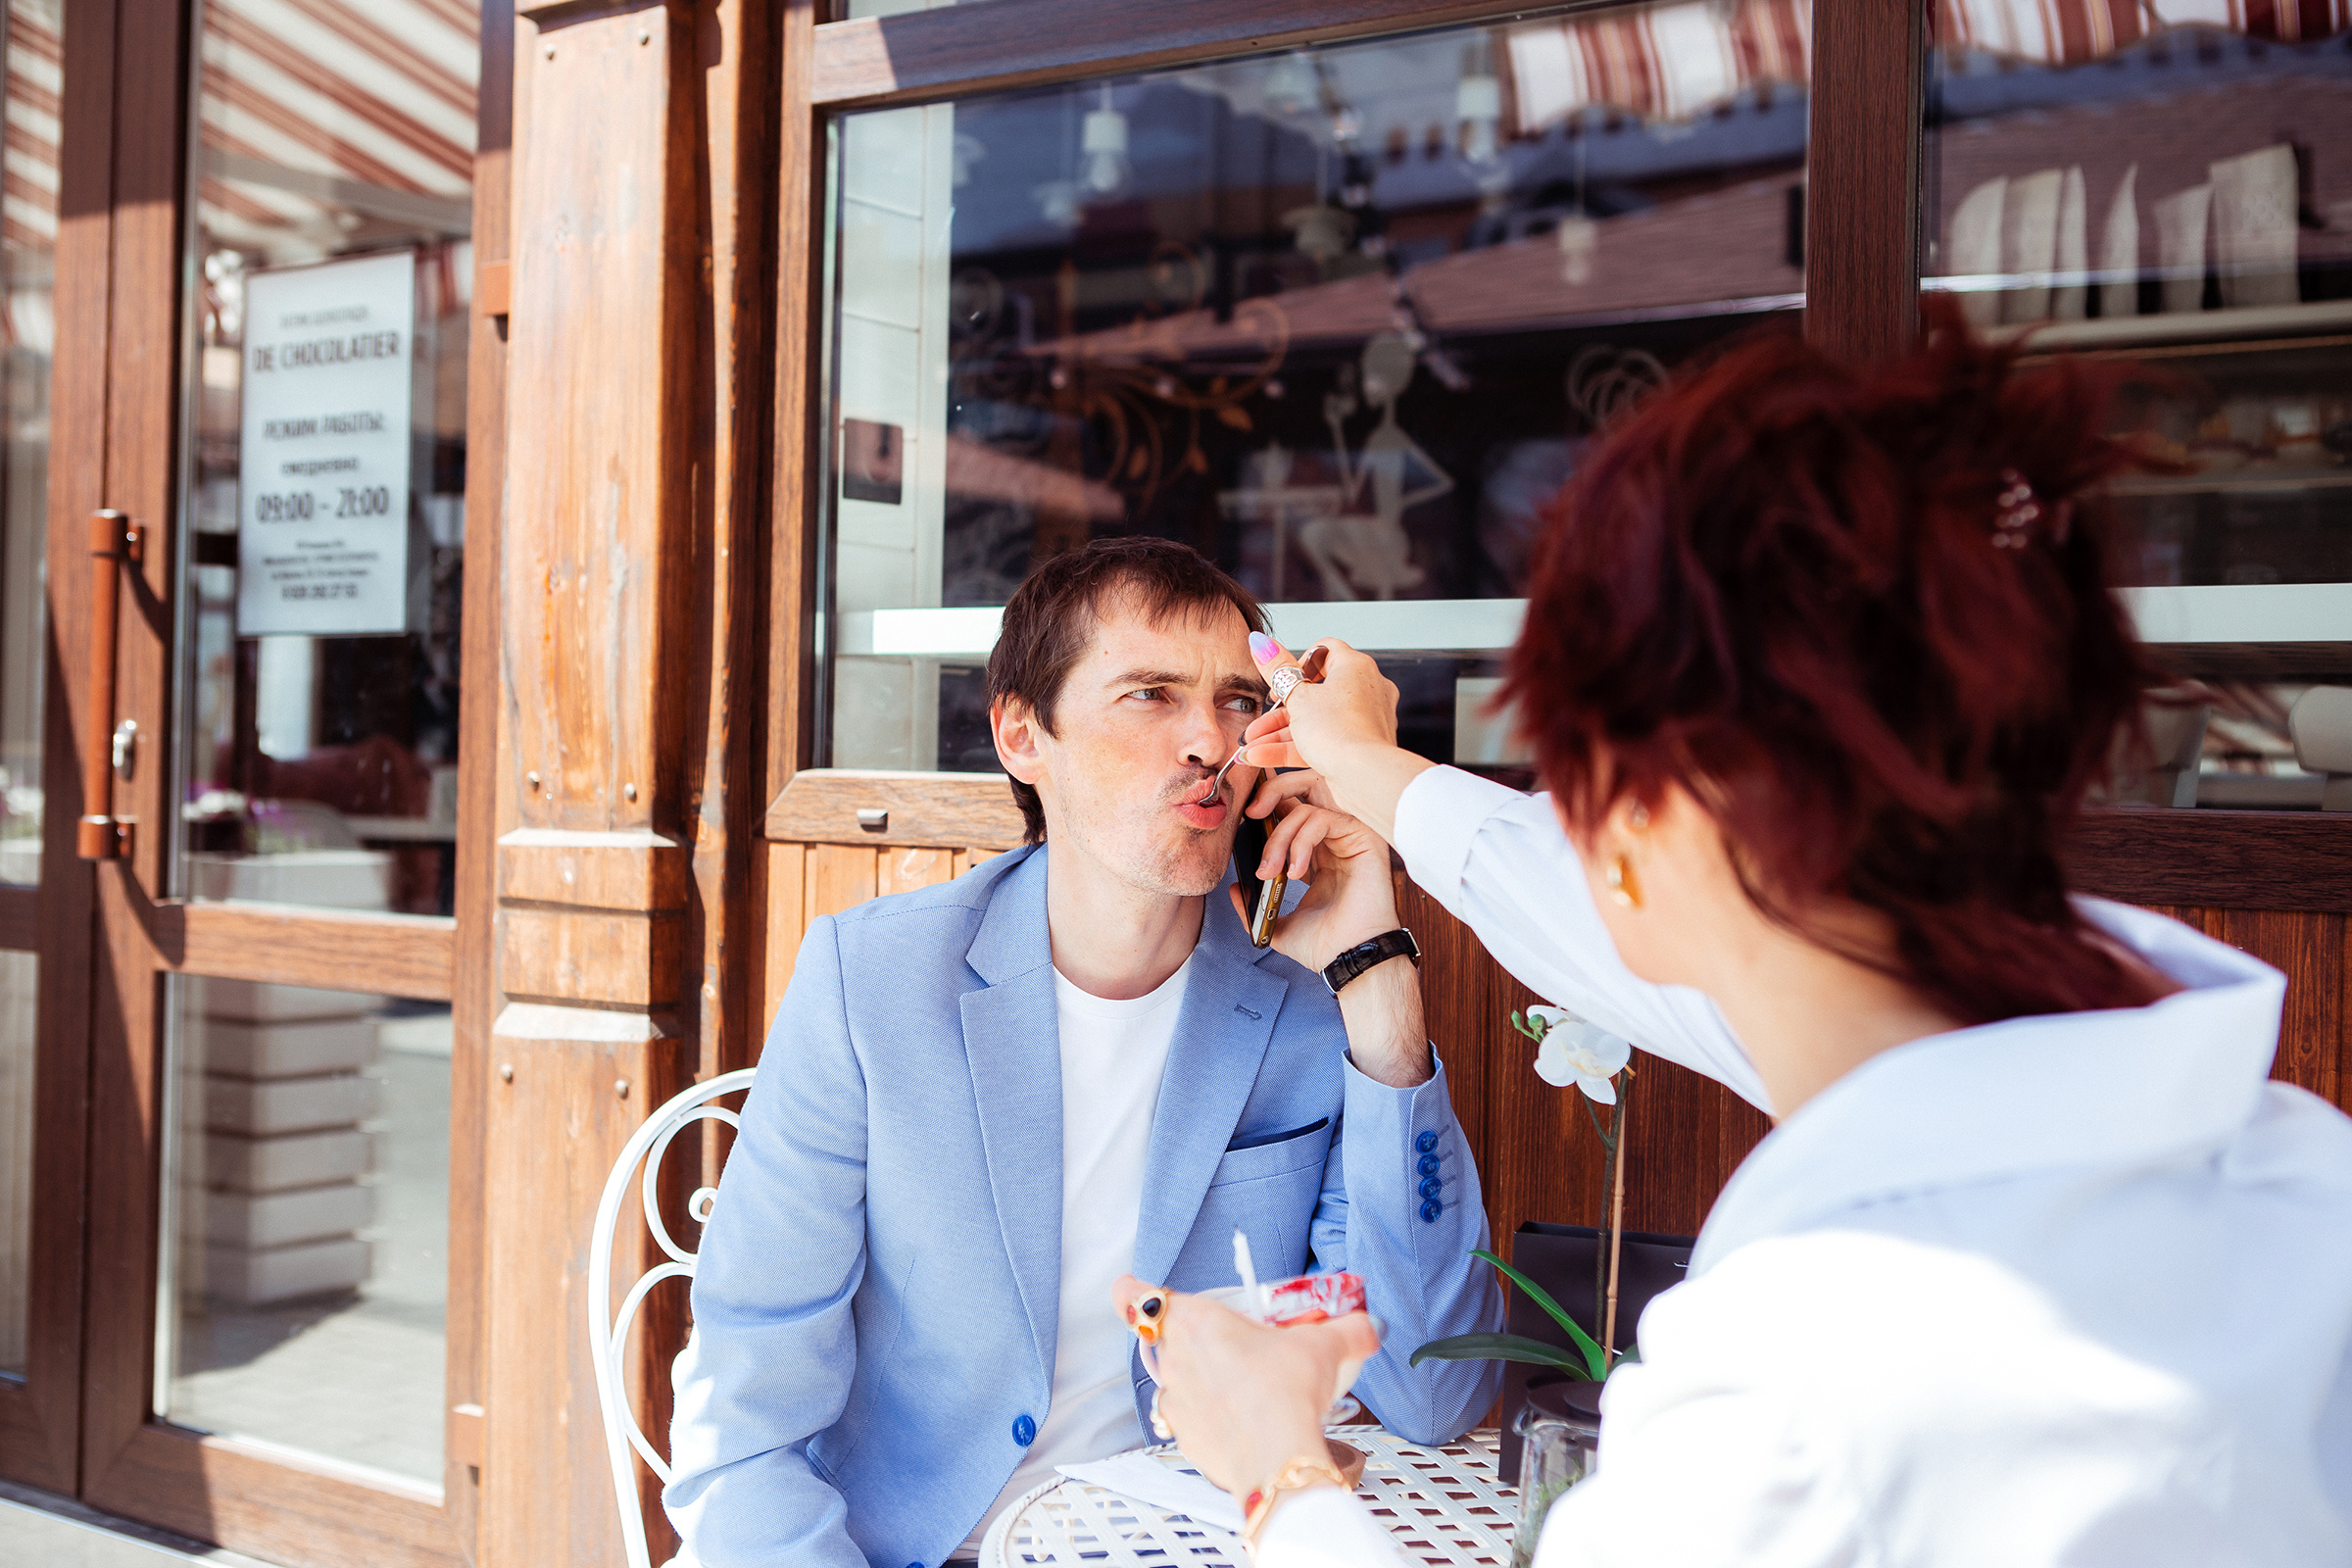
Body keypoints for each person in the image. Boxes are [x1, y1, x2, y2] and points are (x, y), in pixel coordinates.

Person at [1115, 314, 2352, 1565]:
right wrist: (1383, 780)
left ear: (1642, 826)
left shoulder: (1801, 1395)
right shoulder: (2310, 1188)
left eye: (1575, 778)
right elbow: (1615, 904)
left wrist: (1278, 1469)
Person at [664, 538, 1501, 1568]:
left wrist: (1377, 977)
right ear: (1023, 734)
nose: (1209, 740)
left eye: (1240, 701)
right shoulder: (872, 983)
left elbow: (1433, 1391)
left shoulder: (1305, 1012)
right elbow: (741, 1426)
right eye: (1150, 694)